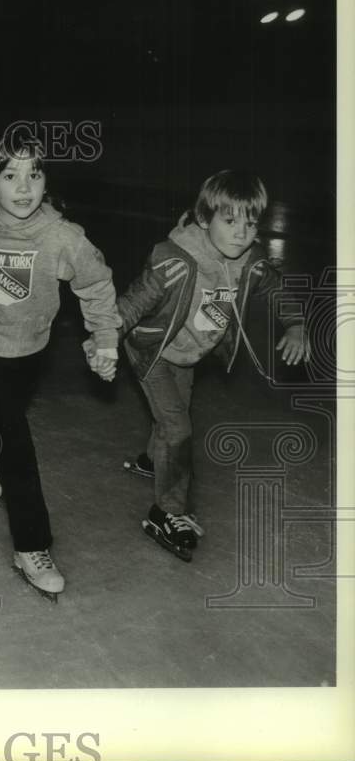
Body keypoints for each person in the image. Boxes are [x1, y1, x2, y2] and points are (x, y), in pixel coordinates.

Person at [104, 169, 310, 561]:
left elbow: (276, 289)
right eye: (229, 221)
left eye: (250, 223)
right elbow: (134, 302)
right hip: (151, 348)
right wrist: (105, 335)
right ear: (203, 218)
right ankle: (167, 512)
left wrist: (296, 324)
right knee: (177, 424)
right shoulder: (176, 260)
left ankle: (154, 459)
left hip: (188, 352)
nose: (241, 233)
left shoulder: (252, 261)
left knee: (174, 416)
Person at [0, 135, 122, 600]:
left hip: (31, 347)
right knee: (17, 444)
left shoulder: (61, 236)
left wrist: (104, 338)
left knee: (0, 412)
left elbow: (97, 283)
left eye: (35, 174)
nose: (24, 187)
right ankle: (31, 546)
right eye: (10, 175)